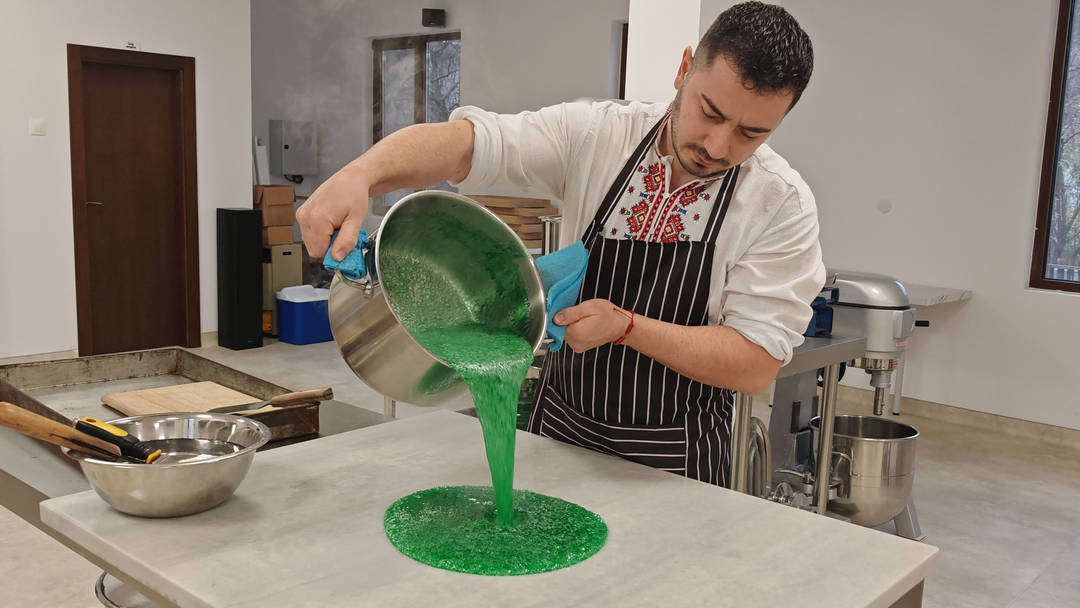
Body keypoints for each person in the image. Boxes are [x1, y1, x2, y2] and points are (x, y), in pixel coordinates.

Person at [298, 1, 825, 488]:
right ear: (684, 69)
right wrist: (362, 174)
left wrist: (627, 327)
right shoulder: (601, 135)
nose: (718, 145)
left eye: (751, 133)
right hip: (559, 430)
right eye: (710, 112)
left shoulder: (779, 203)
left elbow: (755, 362)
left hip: (676, 460)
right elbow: (468, 145)